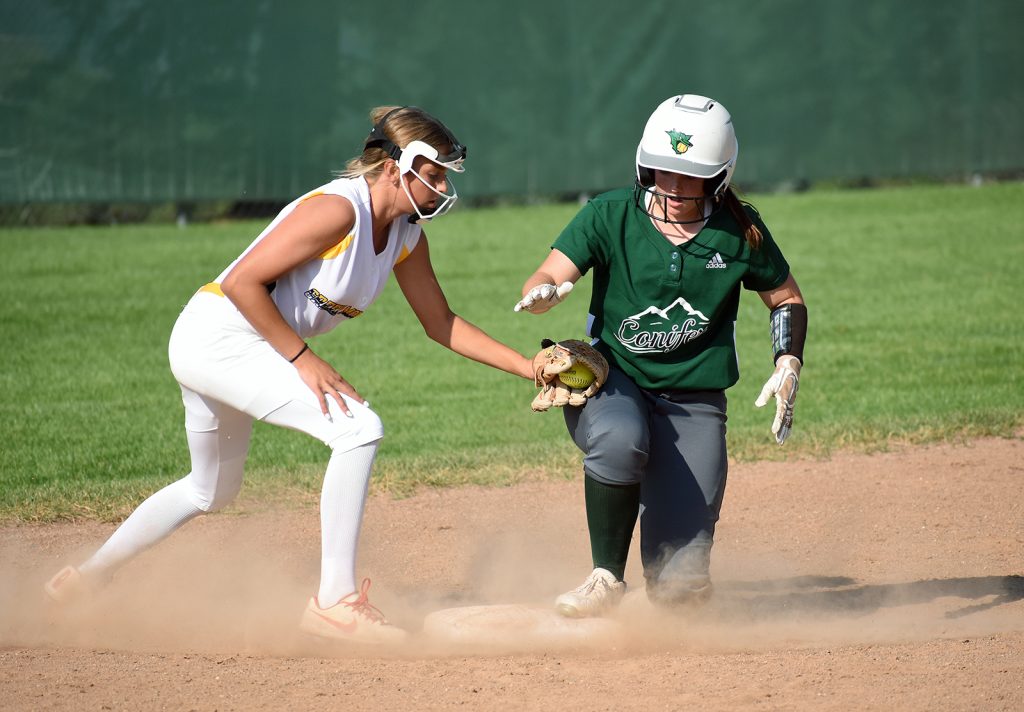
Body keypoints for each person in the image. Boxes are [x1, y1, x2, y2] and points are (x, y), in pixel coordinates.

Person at [44, 105, 539, 644]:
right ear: (397, 167)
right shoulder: (338, 211)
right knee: (359, 428)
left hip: (242, 343)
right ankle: (334, 603)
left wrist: (528, 367)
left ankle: (83, 581)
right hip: (219, 337)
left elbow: (440, 323)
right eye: (436, 172)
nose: (443, 185)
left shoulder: (404, 236)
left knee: (210, 491)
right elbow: (242, 282)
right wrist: (303, 360)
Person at [514, 94, 807, 618]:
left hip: (694, 398)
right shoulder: (610, 214)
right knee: (621, 439)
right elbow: (549, 273)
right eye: (660, 170)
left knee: (681, 590)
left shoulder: (740, 231)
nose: (671, 187)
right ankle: (606, 575)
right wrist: (547, 291)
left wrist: (788, 359)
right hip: (614, 381)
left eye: (689, 176)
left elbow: (785, 297)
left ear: (718, 178)